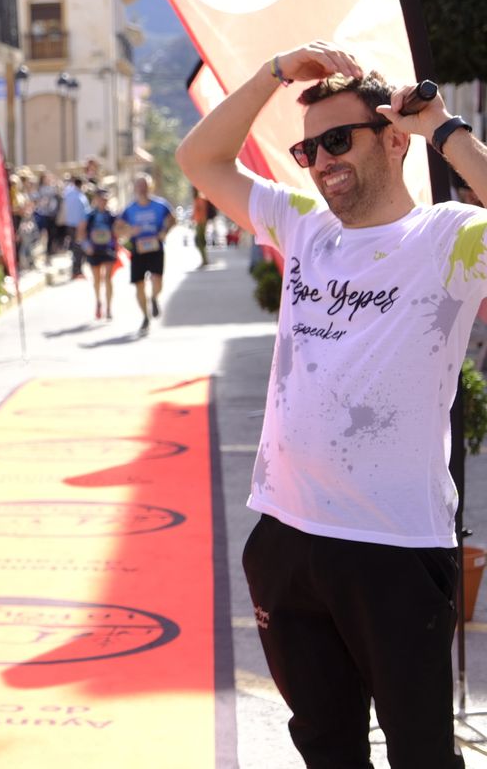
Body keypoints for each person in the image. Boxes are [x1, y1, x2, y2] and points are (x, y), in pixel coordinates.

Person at [176, 39, 487, 768]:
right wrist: (273, 72)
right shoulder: (305, 227)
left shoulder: (448, 236)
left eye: (338, 139)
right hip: (286, 535)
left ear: (393, 138)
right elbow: (201, 161)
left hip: (395, 547)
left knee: (420, 754)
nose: (320, 161)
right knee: (325, 746)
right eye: (308, 149)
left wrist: (444, 127)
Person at [115, 173, 175, 334]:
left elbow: (172, 218)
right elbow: (118, 228)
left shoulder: (160, 205)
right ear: (135, 188)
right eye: (139, 186)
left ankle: (154, 298)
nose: (142, 189)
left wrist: (164, 231)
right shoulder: (129, 209)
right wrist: (129, 231)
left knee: (157, 281)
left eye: (145, 186)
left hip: (156, 248)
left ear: (150, 187)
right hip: (138, 249)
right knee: (139, 285)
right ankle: (145, 317)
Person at [78, 186, 118, 321]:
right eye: (101, 199)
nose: (103, 201)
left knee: (108, 278)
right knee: (97, 280)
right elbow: (81, 232)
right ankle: (98, 301)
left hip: (108, 249)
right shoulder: (90, 215)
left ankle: (109, 308)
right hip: (94, 250)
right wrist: (86, 246)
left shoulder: (111, 215)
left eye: (105, 199)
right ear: (96, 200)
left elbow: (118, 231)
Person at [61, 175, 88, 279]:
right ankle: (77, 271)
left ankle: (75, 271)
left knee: (74, 249)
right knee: (79, 249)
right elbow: (86, 213)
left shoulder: (68, 194)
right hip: (79, 226)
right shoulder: (81, 197)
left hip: (69, 225)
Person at [191, 187, 213, 268]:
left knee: (199, 241)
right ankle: (204, 259)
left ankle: (205, 259)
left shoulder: (200, 199)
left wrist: (201, 222)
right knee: (199, 241)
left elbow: (202, 211)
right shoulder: (197, 199)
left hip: (201, 223)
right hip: (199, 222)